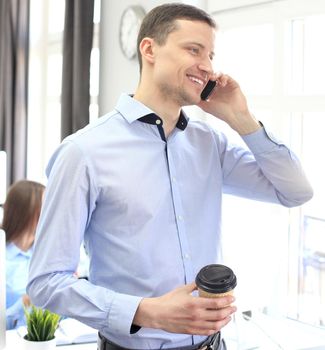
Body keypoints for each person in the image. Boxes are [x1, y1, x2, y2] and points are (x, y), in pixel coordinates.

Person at [27, 3, 313, 350]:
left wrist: (242, 118)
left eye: (210, 54)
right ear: (149, 49)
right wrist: (148, 312)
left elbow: (295, 191)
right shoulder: (83, 152)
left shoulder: (210, 143)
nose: (207, 66)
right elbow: (45, 282)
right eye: (194, 50)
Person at [1, 180, 45, 329]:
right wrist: (25, 302)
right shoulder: (4, 258)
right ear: (27, 211)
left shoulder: (45, 256)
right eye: (44, 207)